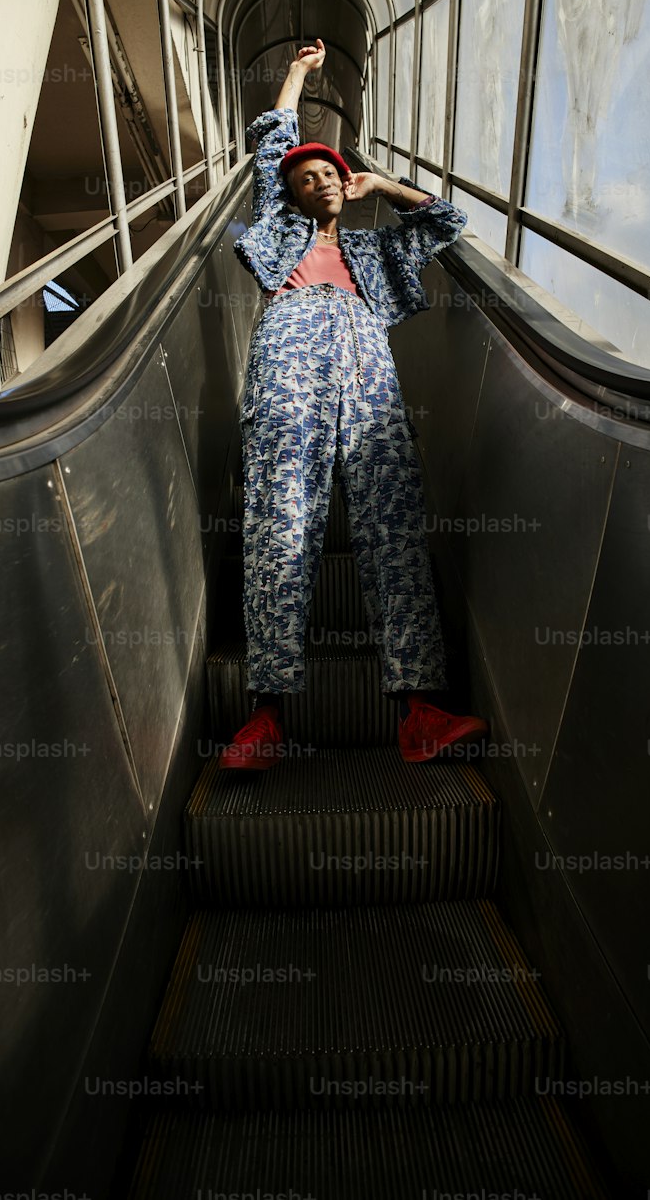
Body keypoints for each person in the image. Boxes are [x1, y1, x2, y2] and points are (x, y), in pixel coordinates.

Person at [219, 38, 488, 770]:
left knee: (394, 519)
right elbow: (274, 141)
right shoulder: (279, 232)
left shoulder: (373, 254)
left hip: (366, 359)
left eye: (330, 174)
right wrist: (300, 74)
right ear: (291, 194)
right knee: (281, 518)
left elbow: (445, 223)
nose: (320, 181)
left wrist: (384, 186)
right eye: (306, 177)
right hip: (291, 348)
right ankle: (267, 715)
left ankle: (419, 714)